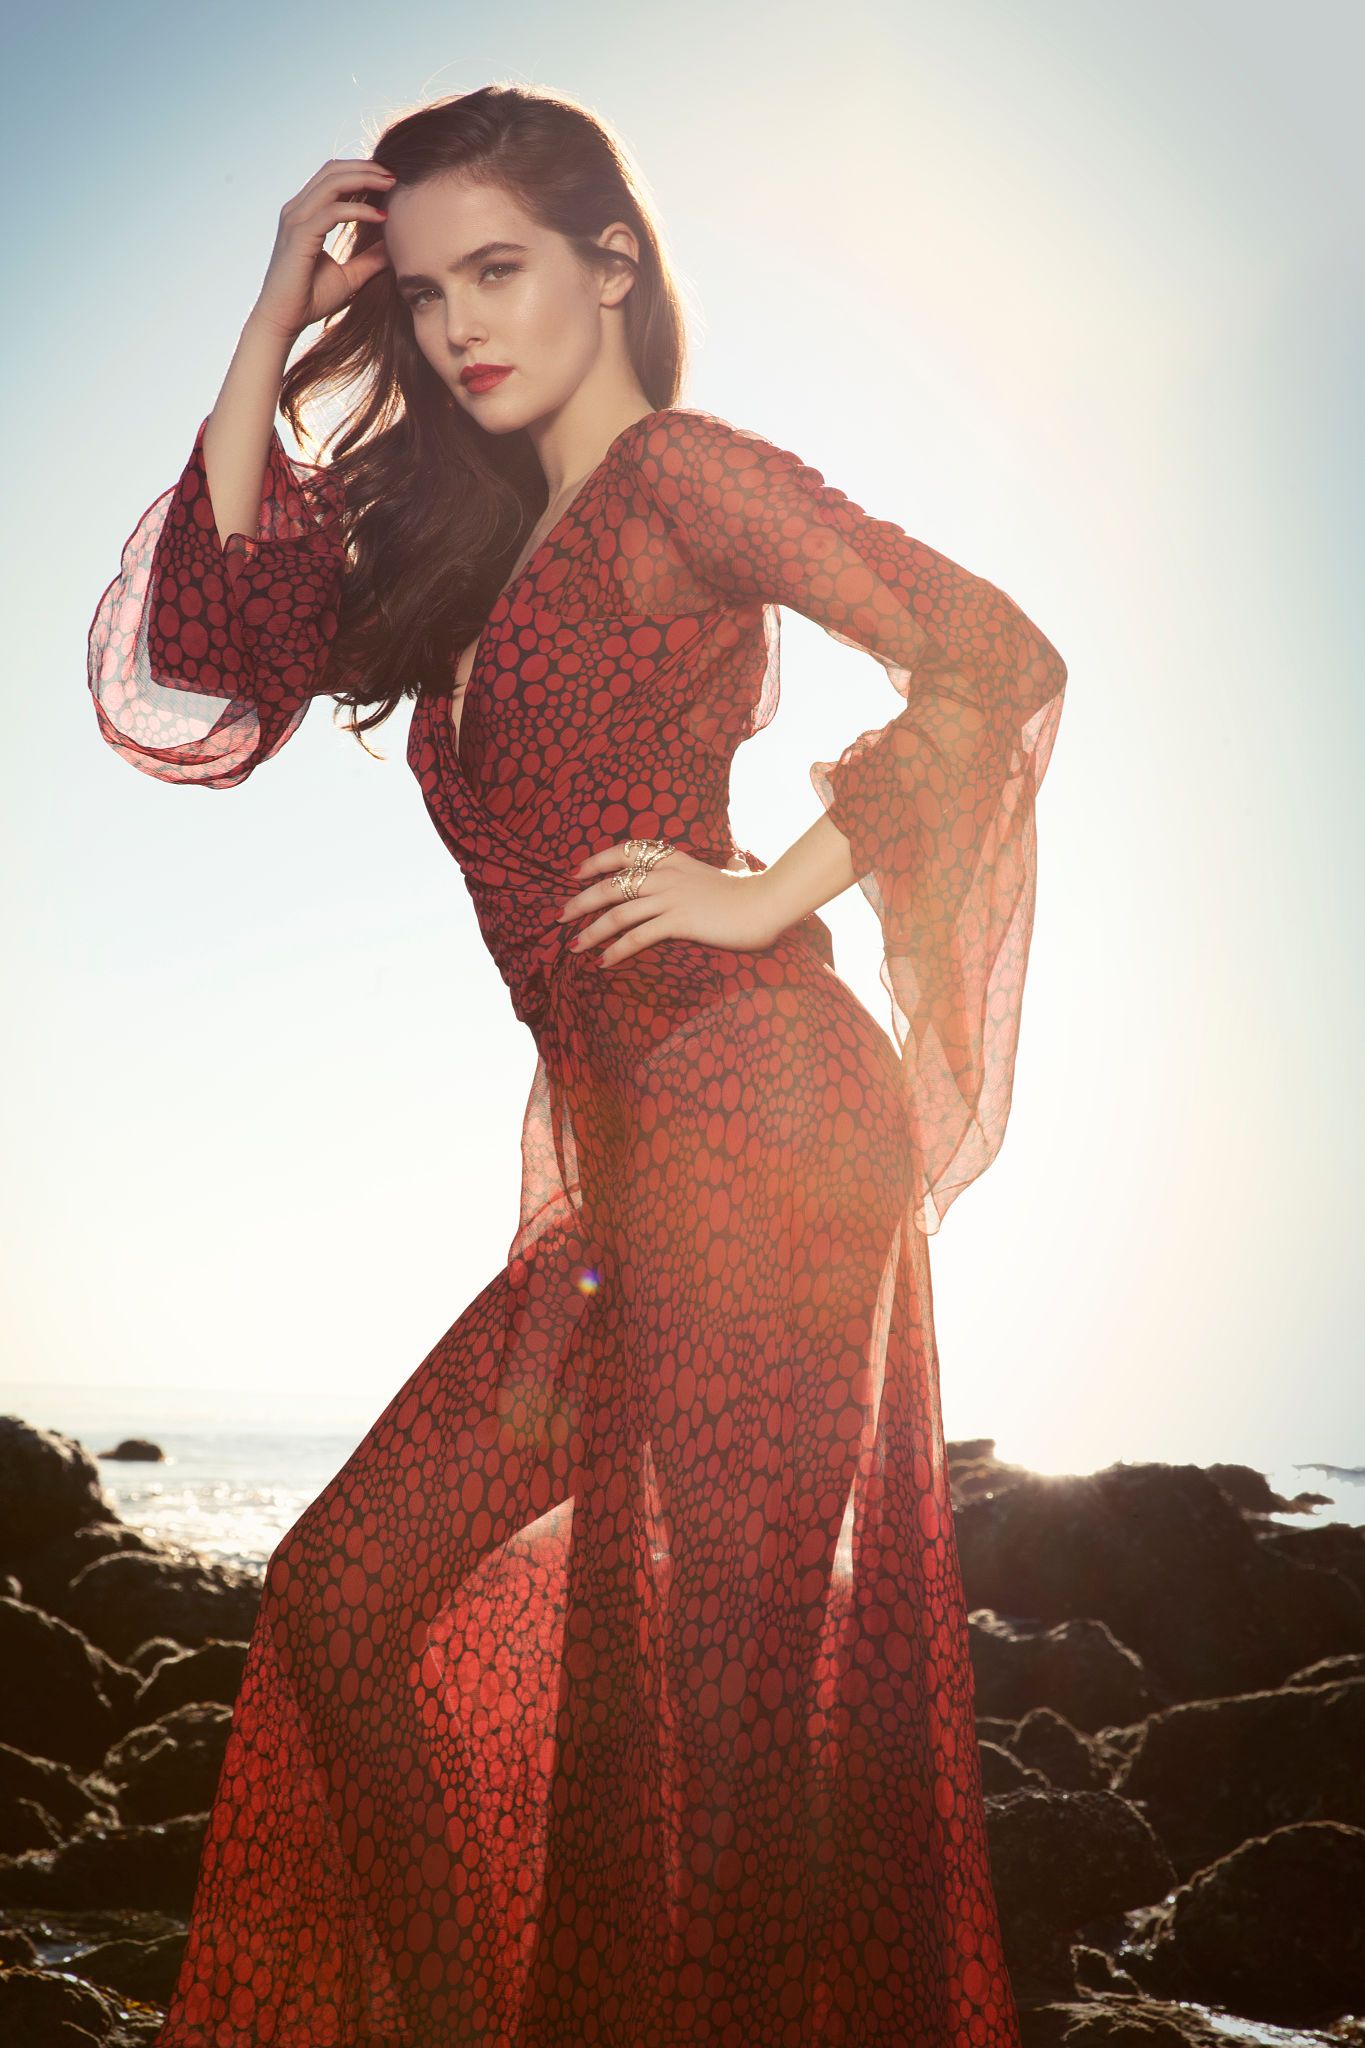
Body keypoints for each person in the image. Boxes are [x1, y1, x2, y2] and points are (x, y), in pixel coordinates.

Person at [88, 82, 1067, 2048]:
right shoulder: (468, 553)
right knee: (342, 1600)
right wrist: (278, 305)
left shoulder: (678, 482)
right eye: (424, 290)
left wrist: (766, 888)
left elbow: (991, 655)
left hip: (764, 1119)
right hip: (629, 1182)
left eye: (498, 270)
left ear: (611, 264)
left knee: (715, 1715)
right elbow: (209, 631)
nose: (458, 324)